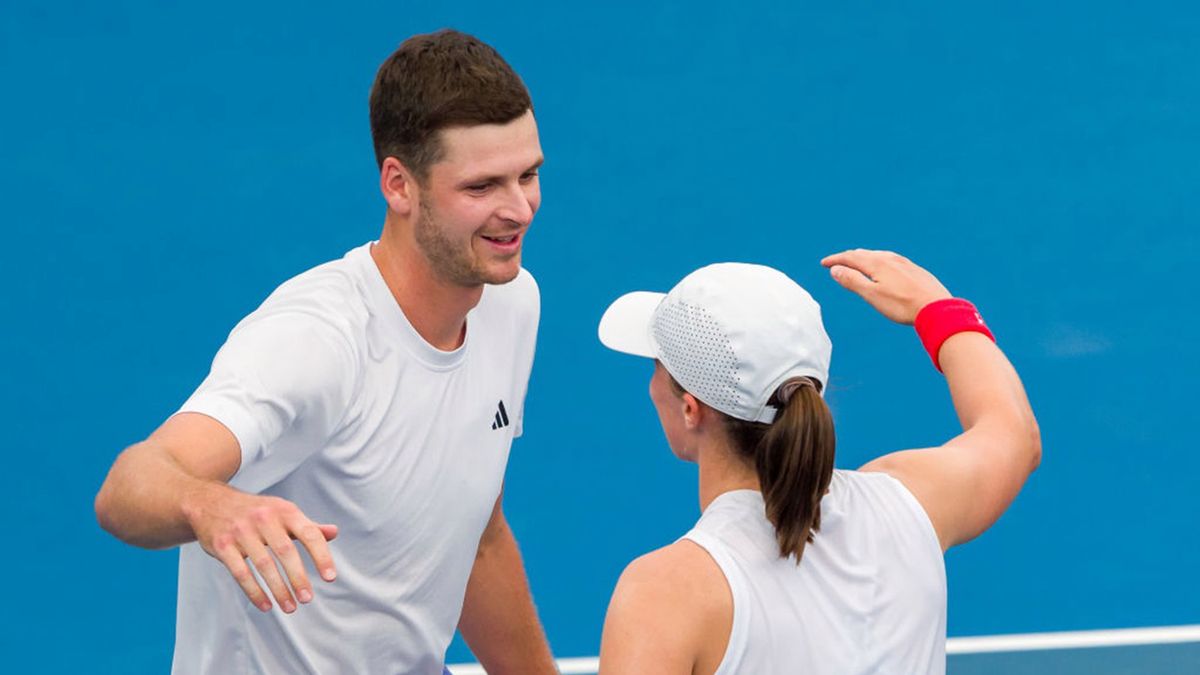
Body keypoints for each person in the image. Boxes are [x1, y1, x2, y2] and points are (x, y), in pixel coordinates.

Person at [94, 30, 558, 675]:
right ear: (399, 186)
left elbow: (478, 539)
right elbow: (129, 486)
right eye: (481, 187)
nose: (519, 210)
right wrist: (211, 504)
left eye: (528, 175)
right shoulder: (313, 341)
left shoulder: (510, 301)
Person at [595, 249, 1041, 674]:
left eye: (657, 365)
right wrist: (937, 307)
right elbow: (1013, 433)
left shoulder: (663, 594)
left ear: (691, 409)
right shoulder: (911, 503)